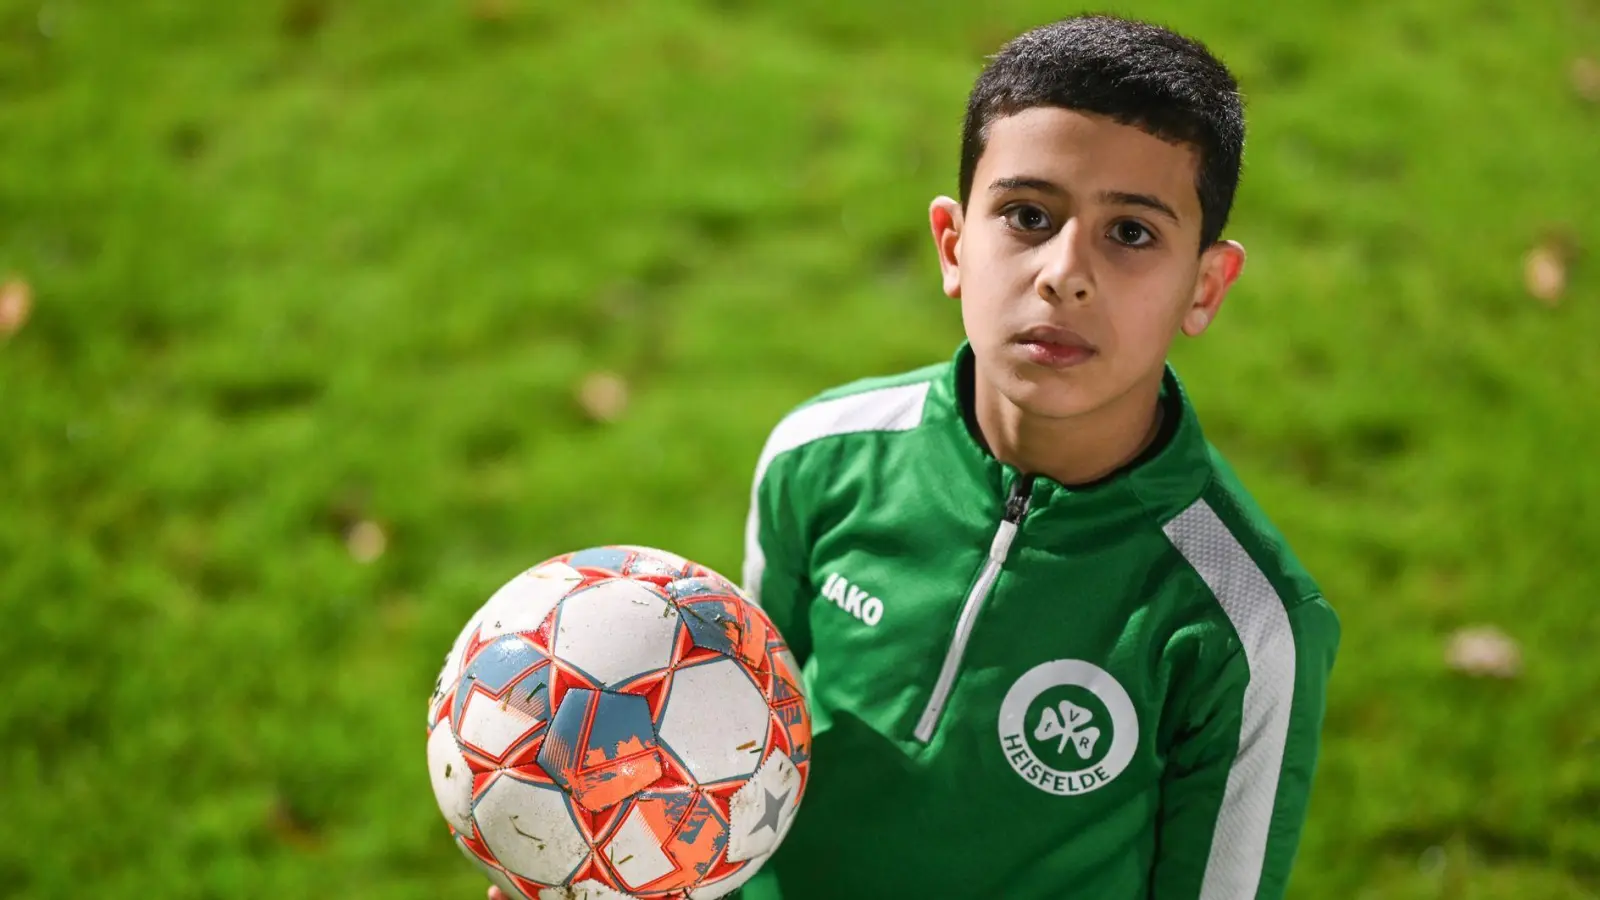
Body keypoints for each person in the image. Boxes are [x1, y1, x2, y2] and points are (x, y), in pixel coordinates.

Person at [492, 12, 1339, 900]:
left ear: (1204, 287)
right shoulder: (818, 461)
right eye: (1027, 214)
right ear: (953, 244)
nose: (1064, 271)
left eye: (1131, 233)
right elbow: (721, 746)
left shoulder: (1246, 624)